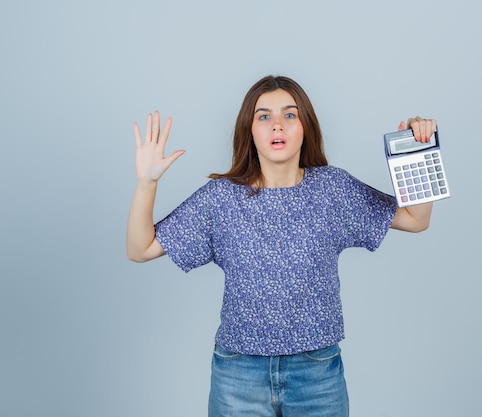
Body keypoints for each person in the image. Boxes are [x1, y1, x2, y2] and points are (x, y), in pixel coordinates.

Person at [126, 75, 436, 417]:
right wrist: (146, 184)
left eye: (290, 114)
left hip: (317, 373)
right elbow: (141, 249)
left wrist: (419, 152)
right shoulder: (221, 198)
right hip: (238, 374)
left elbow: (415, 219)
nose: (278, 125)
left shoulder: (332, 189)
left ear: (306, 127)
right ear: (249, 130)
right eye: (264, 116)